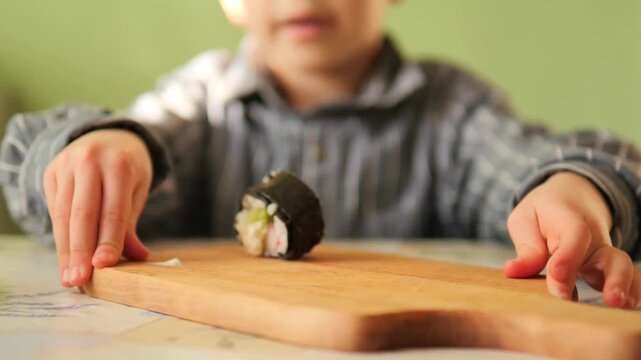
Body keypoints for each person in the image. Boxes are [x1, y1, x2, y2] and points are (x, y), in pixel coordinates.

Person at [0, 0, 639, 309]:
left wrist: (574, 190)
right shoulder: (200, 103)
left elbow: (535, 162)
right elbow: (131, 156)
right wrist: (105, 148)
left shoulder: (452, 111)